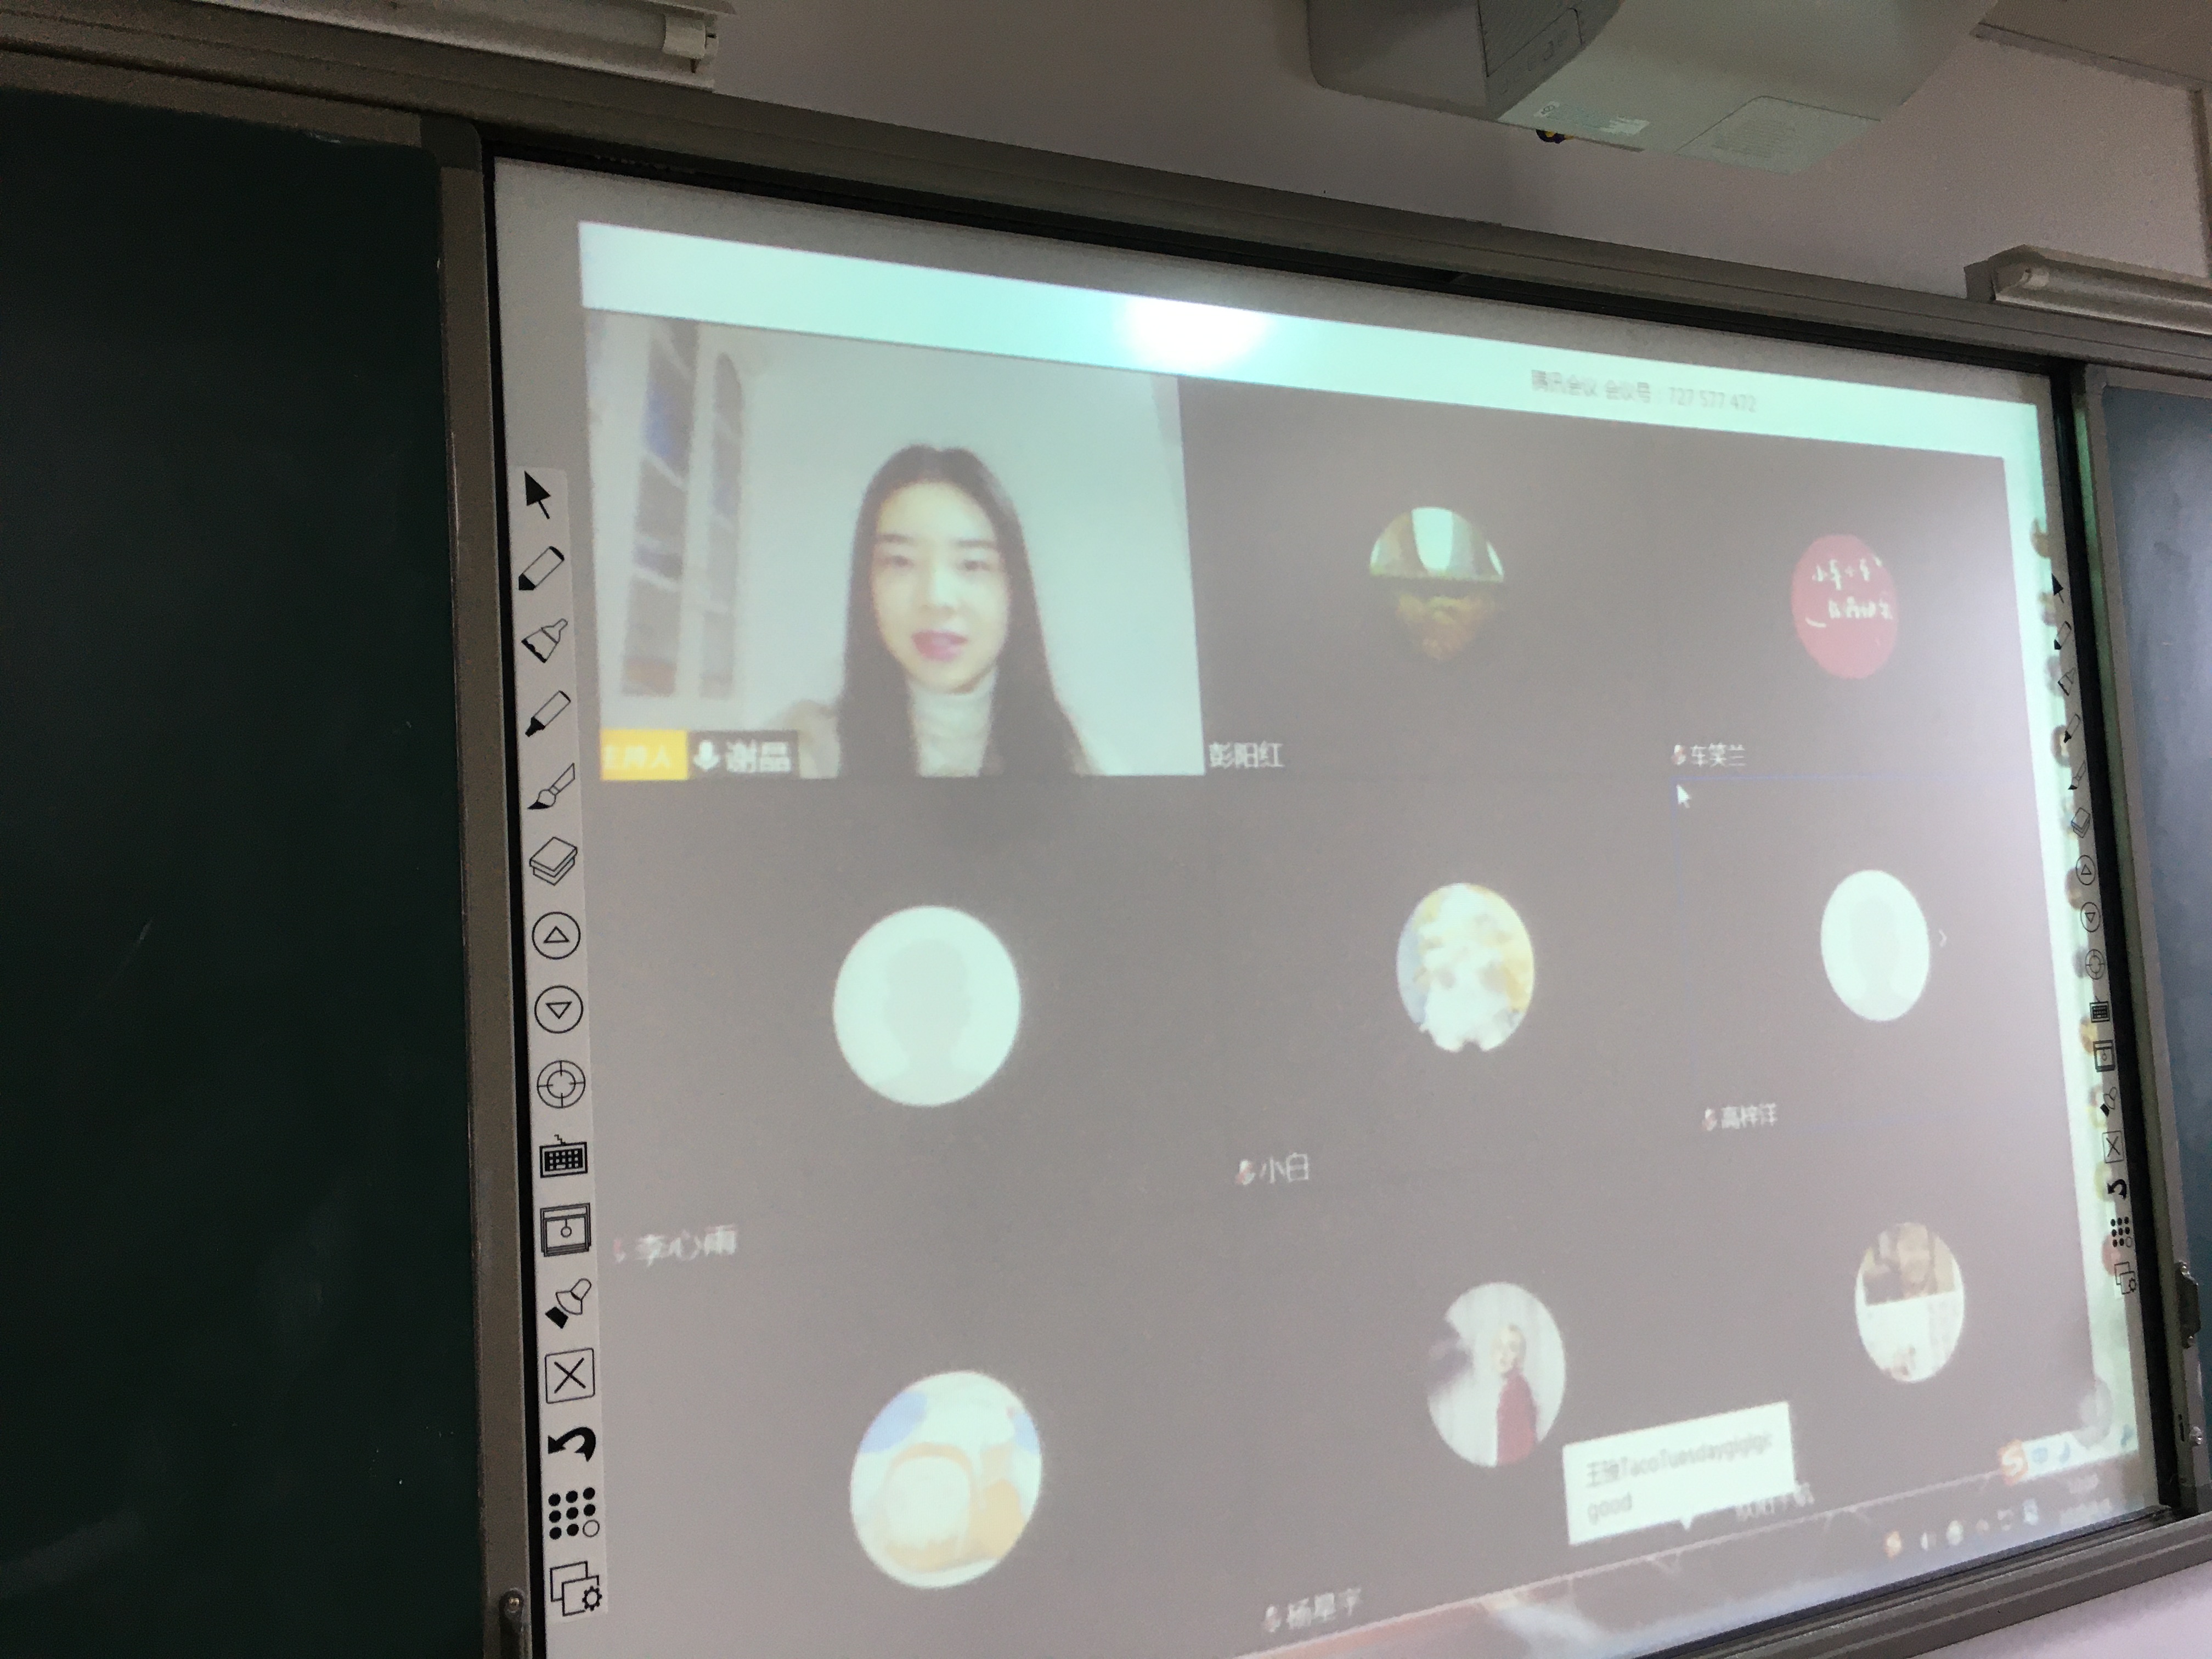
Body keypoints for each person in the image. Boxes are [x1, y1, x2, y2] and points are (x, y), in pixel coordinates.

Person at [783, 445, 1091, 777]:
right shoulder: (806, 752)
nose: (936, 598)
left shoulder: (1083, 763)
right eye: (900, 562)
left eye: (972, 565)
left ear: (1014, 589)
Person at [1493, 1324, 1538, 1467]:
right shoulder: (1510, 1388)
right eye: (1499, 1347)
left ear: (1520, 1358)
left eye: (1511, 1348)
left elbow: (1521, 1446)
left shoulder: (1516, 1390)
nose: (1504, 1354)